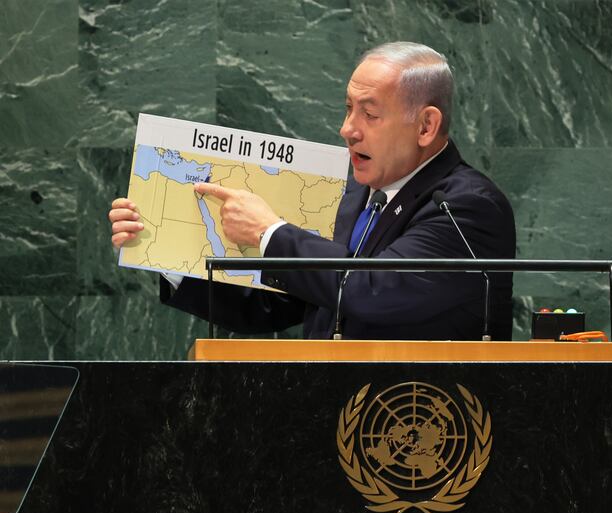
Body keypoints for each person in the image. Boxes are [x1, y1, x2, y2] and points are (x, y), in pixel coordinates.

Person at [109, 41, 516, 340]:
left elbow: (372, 291)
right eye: (348, 108)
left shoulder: (467, 208)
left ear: (426, 126)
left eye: (370, 114)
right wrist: (165, 250)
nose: (348, 129)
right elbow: (274, 303)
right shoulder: (354, 197)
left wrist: (269, 234)